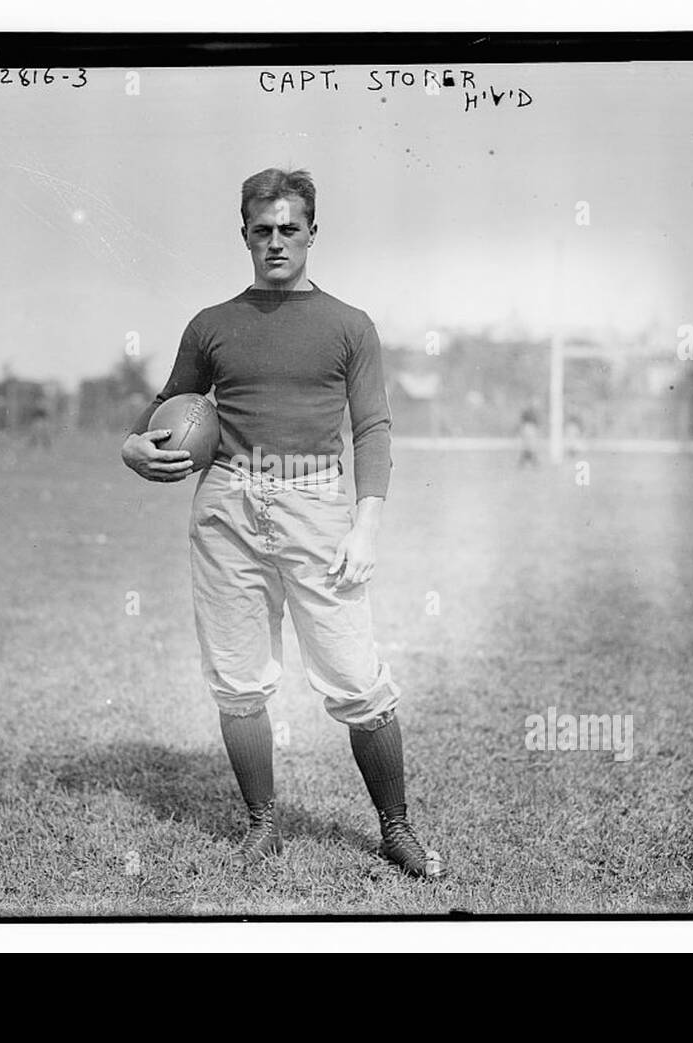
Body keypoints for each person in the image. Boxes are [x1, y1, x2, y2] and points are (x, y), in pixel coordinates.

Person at [122, 168, 445, 878]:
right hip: (228, 504)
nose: (275, 241)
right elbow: (166, 407)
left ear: (311, 233)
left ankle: (396, 828)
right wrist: (130, 444)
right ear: (243, 233)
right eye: (261, 229)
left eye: (288, 229)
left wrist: (366, 526)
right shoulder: (211, 324)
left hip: (317, 505)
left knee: (357, 680)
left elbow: (375, 428)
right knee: (237, 680)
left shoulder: (349, 324)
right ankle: (261, 822)